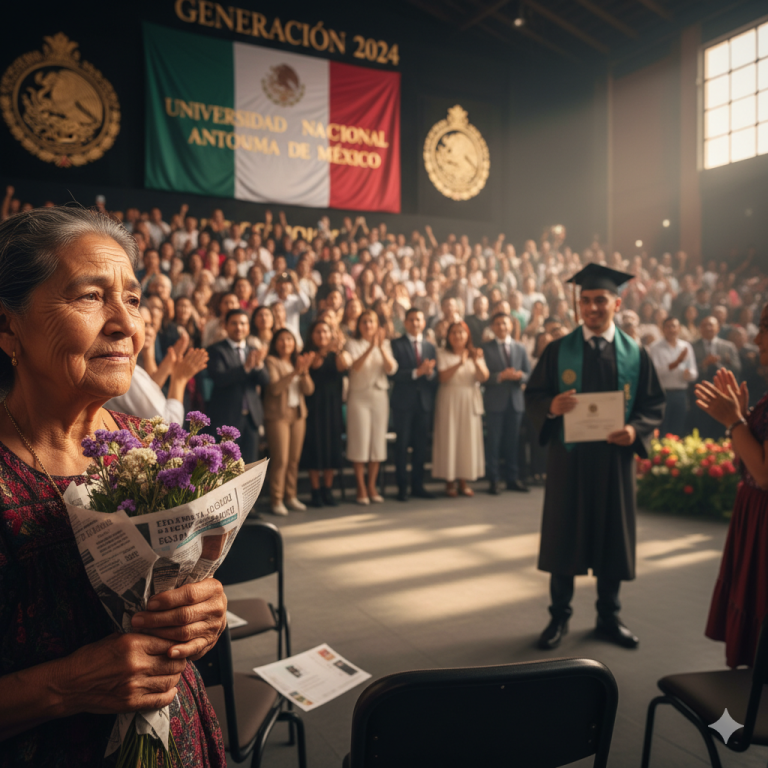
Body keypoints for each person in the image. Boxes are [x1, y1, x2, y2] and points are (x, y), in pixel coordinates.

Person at [0, 207, 226, 766]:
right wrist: (66, 685)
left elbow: (178, 593)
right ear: (8, 327)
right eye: (90, 296)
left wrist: (205, 612)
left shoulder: (154, 447)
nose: (126, 324)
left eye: (131, 298)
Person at [525, 264, 665, 651]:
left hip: (613, 461)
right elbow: (533, 397)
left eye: (600, 300)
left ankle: (608, 616)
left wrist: (636, 430)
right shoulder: (558, 350)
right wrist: (551, 405)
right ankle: (558, 618)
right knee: (563, 538)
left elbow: (653, 403)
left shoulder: (635, 353)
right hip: (569, 461)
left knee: (611, 539)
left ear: (616, 303)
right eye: (584, 300)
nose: (591, 307)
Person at [694, 305, 768, 667]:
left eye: (765, 328)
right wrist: (739, 419)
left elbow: (765, 474)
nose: (756, 339)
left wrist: (735, 421)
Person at [106, 306, 209, 424]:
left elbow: (147, 392)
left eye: (150, 325)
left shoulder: (128, 366)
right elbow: (168, 425)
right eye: (142, 324)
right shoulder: (125, 370)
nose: (149, 331)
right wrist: (179, 380)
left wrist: (165, 366)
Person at [342, 310, 398, 504]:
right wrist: (369, 348)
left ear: (377, 325)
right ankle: (361, 487)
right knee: (360, 441)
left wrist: (380, 348)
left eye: (371, 322)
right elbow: (354, 367)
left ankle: (372, 485)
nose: (368, 325)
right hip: (359, 397)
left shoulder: (386, 344)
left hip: (379, 396)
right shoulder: (352, 343)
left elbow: (391, 369)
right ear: (359, 325)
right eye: (364, 322)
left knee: (377, 442)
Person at [206, 309, 269, 465]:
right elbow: (220, 378)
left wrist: (259, 365)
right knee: (226, 468)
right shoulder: (216, 350)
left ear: (248, 327)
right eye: (234, 323)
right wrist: (245, 368)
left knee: (251, 466)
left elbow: (266, 381)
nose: (239, 327)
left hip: (251, 420)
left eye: (243, 323)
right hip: (227, 419)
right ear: (225, 326)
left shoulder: (253, 351)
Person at [433, 321, 489, 496]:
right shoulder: (442, 353)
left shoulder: (475, 353)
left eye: (461, 332)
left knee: (467, 440)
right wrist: (460, 362)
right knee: (450, 438)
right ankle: (449, 482)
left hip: (469, 398)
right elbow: (442, 377)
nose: (458, 336)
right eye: (454, 332)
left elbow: (484, 377)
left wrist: (475, 361)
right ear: (448, 336)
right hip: (449, 398)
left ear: (467, 335)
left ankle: (463, 481)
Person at [263, 329, 315, 516]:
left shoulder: (296, 361)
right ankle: (276, 499)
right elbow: (275, 389)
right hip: (278, 416)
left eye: (289, 339)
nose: (286, 343)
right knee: (281, 459)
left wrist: (304, 373)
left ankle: (290, 495)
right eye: (282, 339)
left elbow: (308, 390)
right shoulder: (271, 361)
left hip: (298, 414)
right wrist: (294, 372)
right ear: (275, 343)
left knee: (294, 460)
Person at [389, 308, 438, 501]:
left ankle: (418, 485)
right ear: (406, 323)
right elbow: (392, 373)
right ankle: (402, 487)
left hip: (424, 403)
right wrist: (416, 373)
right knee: (401, 446)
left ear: (424, 323)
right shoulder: (396, 344)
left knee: (420, 446)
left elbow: (436, 375)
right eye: (411, 320)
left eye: (419, 319)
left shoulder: (430, 347)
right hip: (403, 402)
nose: (415, 323)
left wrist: (429, 373)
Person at [301, 320, 349, 507]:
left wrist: (336, 350)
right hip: (314, 407)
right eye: (318, 332)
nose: (322, 335)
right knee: (315, 448)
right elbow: (315, 365)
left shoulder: (336, 354)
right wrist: (325, 350)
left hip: (333, 406)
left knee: (332, 447)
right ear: (312, 335)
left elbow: (342, 367)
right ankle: (315, 491)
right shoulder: (308, 353)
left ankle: (327, 490)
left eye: (325, 332)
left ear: (331, 334)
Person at [483, 312, 532, 494]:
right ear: (492, 327)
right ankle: (494, 480)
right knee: (494, 442)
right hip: (495, 401)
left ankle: (512, 478)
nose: (501, 327)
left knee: (513, 442)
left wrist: (520, 376)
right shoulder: (485, 348)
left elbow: (529, 373)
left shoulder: (520, 348)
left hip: (516, 402)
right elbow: (482, 377)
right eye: (497, 324)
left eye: (504, 323)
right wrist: (500, 376)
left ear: (511, 325)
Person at [692, 316, 741, 438]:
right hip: (701, 394)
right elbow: (689, 370)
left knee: (721, 430)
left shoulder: (728, 346)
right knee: (702, 429)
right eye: (705, 325)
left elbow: (737, 368)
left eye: (711, 325)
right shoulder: (692, 346)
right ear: (700, 328)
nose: (708, 328)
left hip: (723, 394)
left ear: (718, 328)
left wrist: (717, 364)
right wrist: (704, 364)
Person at [648, 317, 697, 437]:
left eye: (674, 326)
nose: (671, 329)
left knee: (679, 428)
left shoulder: (686, 346)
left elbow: (694, 373)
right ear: (662, 329)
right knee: (663, 428)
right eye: (668, 326)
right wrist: (677, 362)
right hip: (663, 394)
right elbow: (655, 373)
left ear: (679, 328)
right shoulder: (655, 348)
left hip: (681, 393)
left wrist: (688, 374)